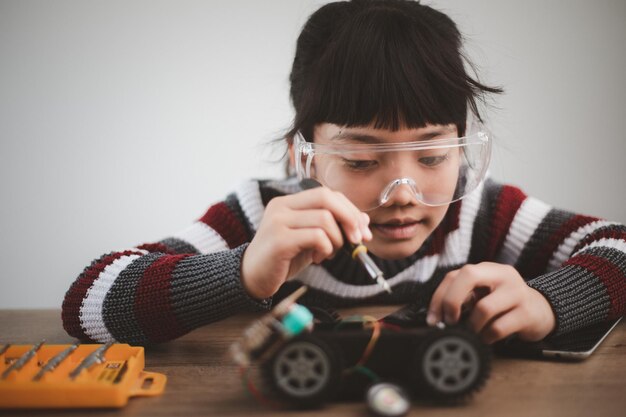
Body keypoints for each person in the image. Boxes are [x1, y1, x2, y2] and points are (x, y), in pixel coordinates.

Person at [62, 0, 625, 346]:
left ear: (462, 152)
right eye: (361, 161)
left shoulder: (481, 215)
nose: (402, 194)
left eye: (432, 157)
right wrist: (243, 272)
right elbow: (90, 301)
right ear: (300, 156)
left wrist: (550, 303)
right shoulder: (263, 219)